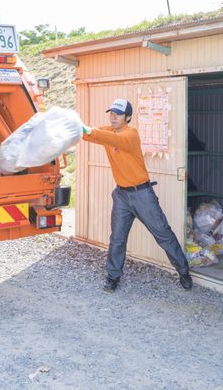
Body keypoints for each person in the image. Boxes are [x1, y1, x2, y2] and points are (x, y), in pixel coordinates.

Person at [82, 99, 192, 292]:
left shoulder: (130, 134)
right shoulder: (109, 132)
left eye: (118, 114)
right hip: (121, 196)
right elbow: (88, 135)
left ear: (128, 117)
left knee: (163, 233)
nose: (113, 117)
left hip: (142, 195)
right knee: (117, 238)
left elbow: (109, 138)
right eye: (111, 113)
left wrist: (90, 131)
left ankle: (183, 271)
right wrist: (77, 128)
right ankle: (113, 277)